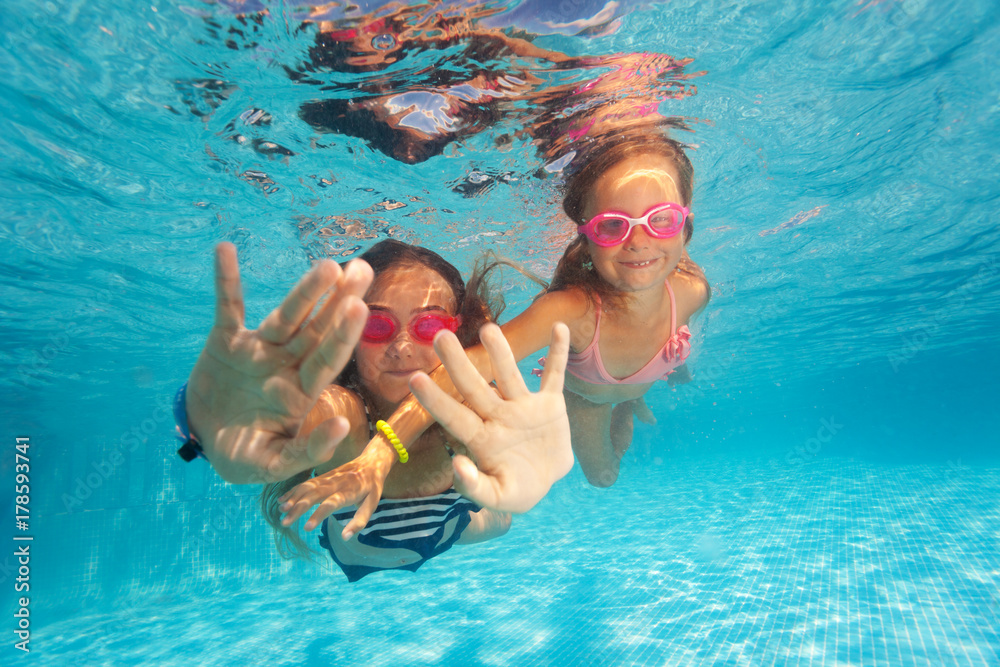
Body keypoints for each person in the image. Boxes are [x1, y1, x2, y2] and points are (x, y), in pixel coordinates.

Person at [284, 130, 710, 534]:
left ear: (686, 222)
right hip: (591, 398)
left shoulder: (694, 291)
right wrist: (379, 452)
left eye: (663, 219)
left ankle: (630, 400)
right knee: (602, 476)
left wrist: (675, 367)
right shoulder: (570, 310)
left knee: (632, 401)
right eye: (613, 226)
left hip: (639, 382)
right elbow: (461, 369)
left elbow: (678, 328)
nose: (639, 241)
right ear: (587, 234)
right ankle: (622, 405)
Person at [181, 240, 573, 581]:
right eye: (377, 325)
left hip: (448, 529)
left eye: (429, 324)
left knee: (500, 523)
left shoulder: (470, 409)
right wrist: (224, 424)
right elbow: (322, 417)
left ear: (457, 331)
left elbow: (516, 452)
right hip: (356, 548)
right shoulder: (348, 414)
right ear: (350, 337)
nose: (402, 347)